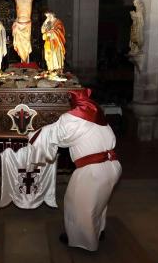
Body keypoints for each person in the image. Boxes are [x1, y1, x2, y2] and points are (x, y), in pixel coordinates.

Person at [25, 89, 121, 251]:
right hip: (112, 166)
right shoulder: (100, 118)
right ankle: (98, 231)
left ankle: (84, 242)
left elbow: (56, 135)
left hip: (92, 170)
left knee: (78, 205)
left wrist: (33, 135)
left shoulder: (72, 119)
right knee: (99, 202)